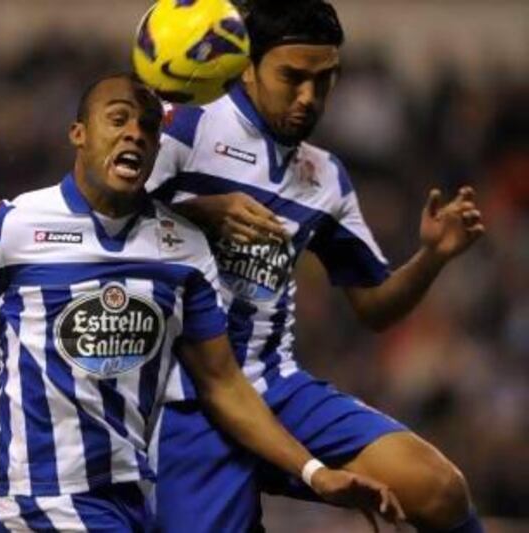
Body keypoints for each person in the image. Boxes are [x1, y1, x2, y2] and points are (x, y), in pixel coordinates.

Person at [0, 73, 405, 532]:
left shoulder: (182, 247)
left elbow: (225, 386)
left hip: (129, 501)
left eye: (147, 126)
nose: (135, 134)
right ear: (78, 134)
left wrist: (315, 472)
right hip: (39, 504)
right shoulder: (13, 227)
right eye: (117, 119)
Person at [146, 1, 486, 532]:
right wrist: (204, 212)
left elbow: (374, 306)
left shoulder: (325, 176)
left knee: (440, 490)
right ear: (248, 66)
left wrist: (433, 256)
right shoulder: (185, 127)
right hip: (185, 401)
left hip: (278, 391)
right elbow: (103, 227)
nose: (309, 97)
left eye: (324, 80)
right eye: (293, 77)